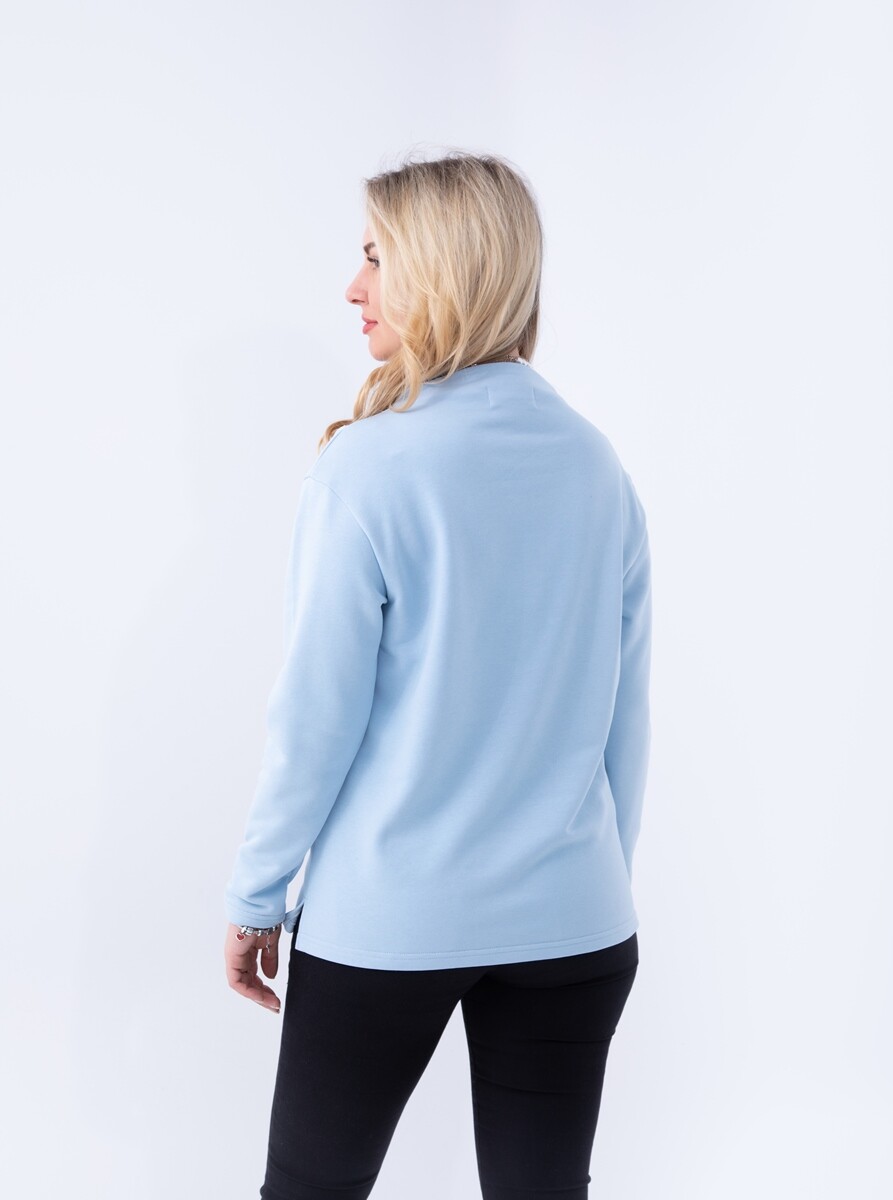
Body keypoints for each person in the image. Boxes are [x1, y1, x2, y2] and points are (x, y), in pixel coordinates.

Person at [222, 149, 652, 1200]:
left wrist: (256, 894)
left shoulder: (369, 469)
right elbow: (624, 718)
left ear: (444, 270)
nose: (352, 286)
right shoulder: (598, 466)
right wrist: (584, 880)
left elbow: (314, 722)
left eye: (377, 257)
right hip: (575, 919)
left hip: (390, 921)